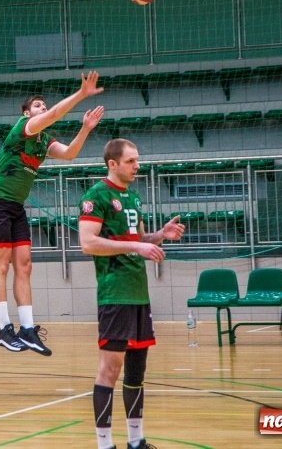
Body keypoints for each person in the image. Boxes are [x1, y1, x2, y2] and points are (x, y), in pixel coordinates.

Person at [0, 71, 105, 356]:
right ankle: (3, 329)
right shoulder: (23, 127)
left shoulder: (44, 140)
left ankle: (27, 330)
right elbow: (53, 116)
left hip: (15, 206)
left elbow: (69, 154)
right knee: (1, 265)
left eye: (44, 105)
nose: (43, 108)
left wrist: (85, 128)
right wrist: (81, 94)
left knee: (24, 266)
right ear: (27, 113)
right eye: (38, 106)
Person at [78, 138, 185, 449]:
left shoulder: (133, 197)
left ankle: (136, 441)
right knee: (110, 369)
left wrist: (159, 236)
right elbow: (88, 242)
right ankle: (104, 444)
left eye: (137, 159)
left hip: (139, 294)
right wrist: (137, 245)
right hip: (115, 294)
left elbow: (138, 238)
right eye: (131, 161)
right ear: (113, 164)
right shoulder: (96, 196)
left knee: (137, 370)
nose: (137, 165)